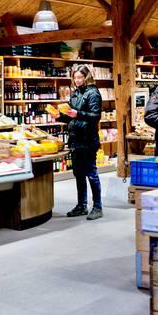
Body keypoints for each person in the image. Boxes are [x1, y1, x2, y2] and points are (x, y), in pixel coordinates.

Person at [50, 65, 103, 220]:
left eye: (80, 77)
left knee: (91, 174)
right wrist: (59, 117)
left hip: (88, 139)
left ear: (86, 77)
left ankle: (97, 207)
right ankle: (81, 205)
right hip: (75, 139)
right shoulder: (75, 93)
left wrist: (78, 113)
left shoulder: (93, 93)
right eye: (75, 77)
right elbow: (71, 116)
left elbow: (95, 116)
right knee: (78, 174)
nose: (77, 80)